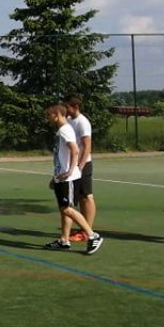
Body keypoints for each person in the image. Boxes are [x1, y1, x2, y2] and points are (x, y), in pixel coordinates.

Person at [44, 103, 103, 254]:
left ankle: (92, 235)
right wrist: (55, 176)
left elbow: (75, 150)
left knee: (67, 209)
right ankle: (64, 240)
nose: (47, 118)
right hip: (61, 177)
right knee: (64, 209)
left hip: (68, 178)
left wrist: (70, 171)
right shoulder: (62, 130)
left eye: (49, 115)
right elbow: (61, 157)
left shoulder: (65, 130)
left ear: (57, 114)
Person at [64, 95, 95, 241]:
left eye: (67, 107)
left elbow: (87, 146)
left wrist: (80, 166)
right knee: (80, 198)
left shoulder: (83, 122)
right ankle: (84, 229)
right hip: (73, 164)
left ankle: (87, 231)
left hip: (83, 164)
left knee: (87, 197)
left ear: (75, 107)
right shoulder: (69, 121)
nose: (66, 110)